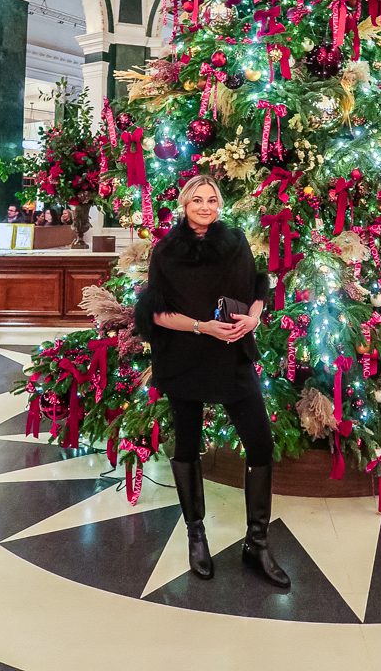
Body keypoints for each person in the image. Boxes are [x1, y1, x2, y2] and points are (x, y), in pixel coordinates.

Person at [134, 174, 289, 588]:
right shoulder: (166, 250)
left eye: (213, 199)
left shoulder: (235, 241)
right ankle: (196, 533)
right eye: (197, 199)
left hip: (232, 356)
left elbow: (258, 285)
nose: (206, 206)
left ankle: (257, 543)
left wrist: (255, 316)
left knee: (260, 444)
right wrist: (203, 327)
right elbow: (155, 313)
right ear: (184, 204)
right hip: (184, 359)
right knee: (186, 444)